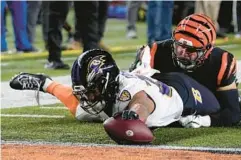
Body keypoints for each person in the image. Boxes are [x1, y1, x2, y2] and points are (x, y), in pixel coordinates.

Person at [9, 49, 221, 129]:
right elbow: (75, 101)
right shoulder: (104, 91)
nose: (87, 98)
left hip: (178, 90)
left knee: (218, 106)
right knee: (82, 112)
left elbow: (142, 102)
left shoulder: (131, 92)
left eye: (90, 91)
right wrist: (49, 86)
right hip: (138, 83)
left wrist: (133, 115)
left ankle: (143, 67)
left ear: (107, 83)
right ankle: (45, 82)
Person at [129, 13, 241, 127]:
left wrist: (204, 121)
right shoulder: (154, 52)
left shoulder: (221, 62)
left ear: (207, 50)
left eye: (190, 50)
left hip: (205, 99)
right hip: (164, 97)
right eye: (179, 45)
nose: (182, 53)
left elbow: (233, 114)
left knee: (235, 105)